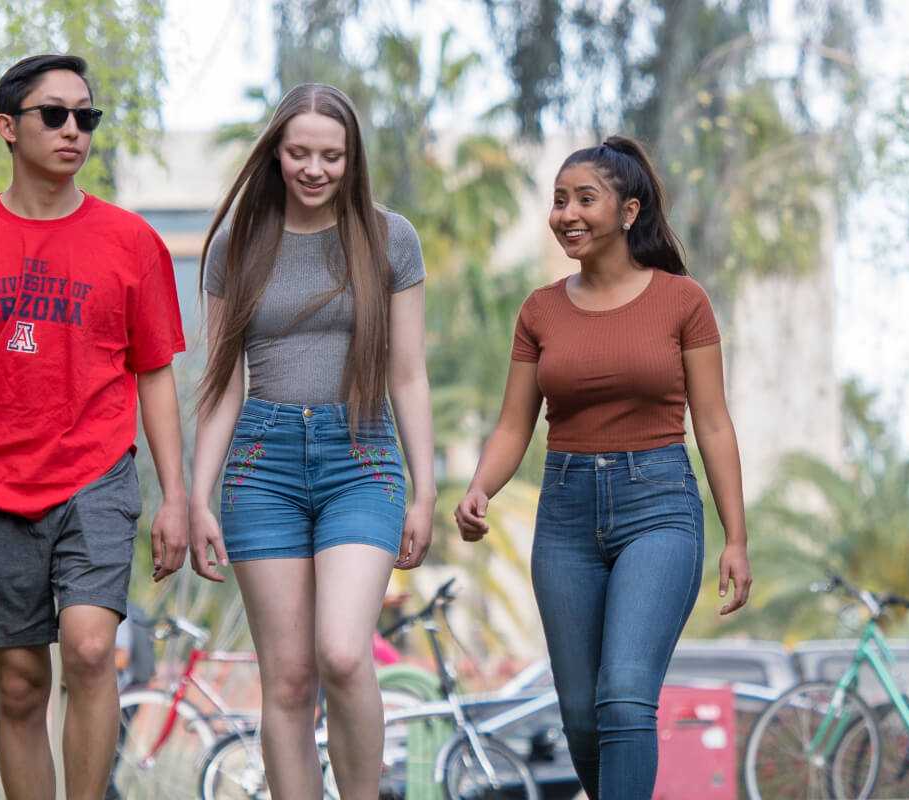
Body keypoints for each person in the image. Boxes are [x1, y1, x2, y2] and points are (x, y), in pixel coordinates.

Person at [0, 53, 191, 800]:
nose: (72, 129)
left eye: (85, 116)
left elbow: (154, 374)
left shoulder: (131, 243)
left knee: (89, 649)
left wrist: (176, 495)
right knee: (20, 685)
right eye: (53, 114)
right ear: (7, 129)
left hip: (95, 476)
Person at [453, 136, 753, 799]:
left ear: (628, 211)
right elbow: (513, 424)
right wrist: (481, 487)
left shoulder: (682, 302)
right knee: (583, 719)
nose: (567, 214)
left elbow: (712, 423)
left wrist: (736, 537)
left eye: (585, 198)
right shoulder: (540, 310)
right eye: (559, 201)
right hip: (565, 517)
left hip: (659, 508)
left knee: (623, 700)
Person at [170, 83, 435, 799]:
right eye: (299, 153)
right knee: (286, 681)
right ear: (275, 153)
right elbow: (222, 382)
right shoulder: (238, 245)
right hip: (264, 464)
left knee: (344, 653)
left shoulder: (390, 239)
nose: (314, 169)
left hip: (363, 456)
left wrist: (425, 489)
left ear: (352, 161)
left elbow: (408, 374)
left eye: (331, 156)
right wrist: (197, 498)